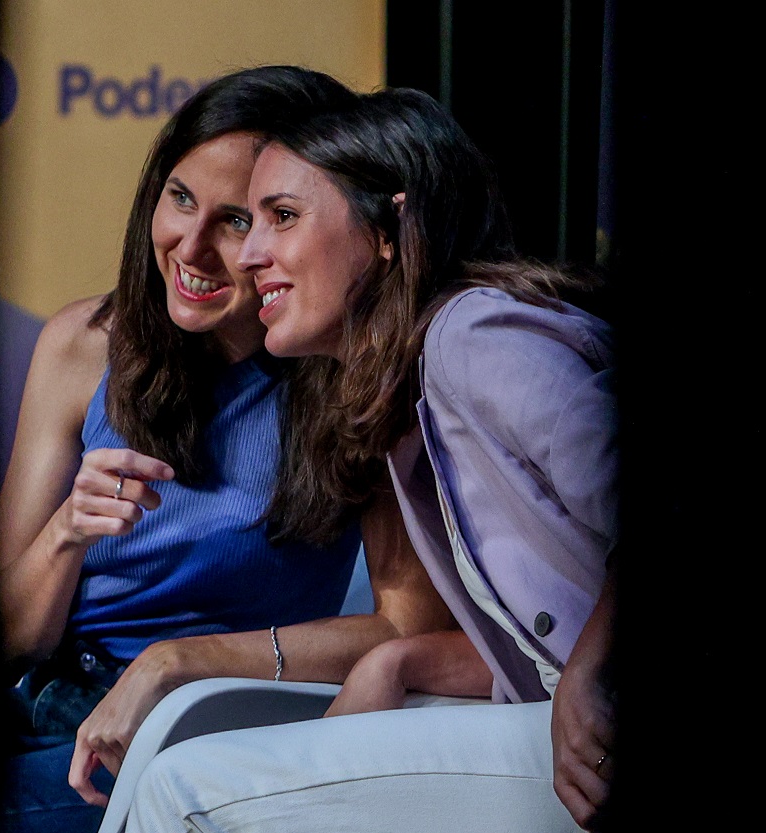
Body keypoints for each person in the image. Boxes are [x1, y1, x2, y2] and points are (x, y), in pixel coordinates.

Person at [125, 86, 618, 832]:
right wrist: (398, 661)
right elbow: (528, 642)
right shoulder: (408, 380)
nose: (251, 254)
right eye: (250, 222)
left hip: (591, 731)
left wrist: (590, 669)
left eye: (282, 217)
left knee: (183, 787)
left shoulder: (472, 336)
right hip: (553, 722)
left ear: (390, 227)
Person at [0, 68, 458, 833]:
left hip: (193, 726)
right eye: (180, 199)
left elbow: (407, 622)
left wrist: (177, 659)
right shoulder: (81, 344)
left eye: (240, 219)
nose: (193, 247)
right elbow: (11, 633)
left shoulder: (352, 373)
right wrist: (66, 532)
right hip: (36, 702)